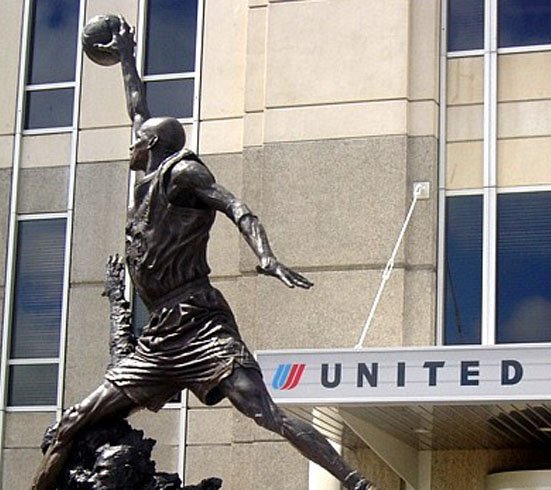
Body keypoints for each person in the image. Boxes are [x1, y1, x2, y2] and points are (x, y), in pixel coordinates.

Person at [32, 16, 374, 490]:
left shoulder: (182, 174)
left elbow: (238, 207)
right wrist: (127, 58)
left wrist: (266, 255)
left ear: (151, 145)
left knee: (264, 413)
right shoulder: (149, 168)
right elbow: (137, 106)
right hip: (157, 339)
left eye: (138, 139)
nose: (131, 142)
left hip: (200, 324)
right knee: (70, 423)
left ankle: (356, 483)